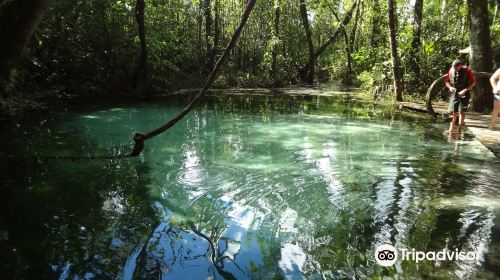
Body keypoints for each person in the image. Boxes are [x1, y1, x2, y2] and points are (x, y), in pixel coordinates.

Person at [445, 59, 476, 133]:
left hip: (464, 93)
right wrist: (450, 87)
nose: (455, 69)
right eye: (453, 67)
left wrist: (465, 90)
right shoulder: (451, 70)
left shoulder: (467, 70)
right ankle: (451, 129)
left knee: (462, 111)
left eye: (456, 68)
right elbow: (447, 82)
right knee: (453, 112)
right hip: (454, 93)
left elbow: (473, 82)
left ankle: (459, 129)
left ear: (460, 66)